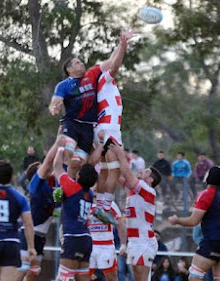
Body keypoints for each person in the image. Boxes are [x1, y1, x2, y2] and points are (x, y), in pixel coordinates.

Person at [49, 30, 133, 176]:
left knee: (77, 164)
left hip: (88, 128)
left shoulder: (92, 74)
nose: (81, 63)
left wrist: (122, 44)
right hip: (72, 124)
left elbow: (111, 61)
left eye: (81, 61)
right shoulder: (64, 85)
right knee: (67, 154)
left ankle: (69, 191)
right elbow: (56, 101)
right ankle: (58, 183)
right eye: (77, 62)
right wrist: (54, 107)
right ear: (69, 69)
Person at [92, 30, 134, 224]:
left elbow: (111, 59)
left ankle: (101, 206)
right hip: (109, 129)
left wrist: (121, 43)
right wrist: (124, 46)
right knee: (114, 169)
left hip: (106, 128)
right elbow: (115, 64)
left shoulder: (102, 83)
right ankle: (104, 208)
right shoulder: (104, 79)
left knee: (105, 170)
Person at [168, 166, 220, 281]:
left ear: (209, 177)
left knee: (194, 276)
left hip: (214, 239)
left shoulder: (205, 194)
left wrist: (177, 220)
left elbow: (193, 221)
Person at [108, 141, 162, 281]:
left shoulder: (147, 190)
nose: (141, 171)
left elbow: (126, 172)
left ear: (150, 180)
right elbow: (119, 175)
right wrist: (108, 154)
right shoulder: (134, 190)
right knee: (136, 278)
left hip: (144, 240)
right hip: (134, 240)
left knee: (141, 278)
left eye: (145, 172)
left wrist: (120, 152)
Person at [52, 140, 98, 281]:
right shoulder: (89, 194)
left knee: (64, 277)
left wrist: (60, 149)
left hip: (72, 237)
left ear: (79, 176)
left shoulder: (72, 187)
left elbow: (57, 167)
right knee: (83, 277)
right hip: (86, 239)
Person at [15, 138, 59, 281]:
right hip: (30, 234)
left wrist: (64, 149)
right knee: (23, 269)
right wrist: (58, 142)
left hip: (40, 237)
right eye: (41, 168)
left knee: (34, 272)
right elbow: (48, 162)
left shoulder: (50, 184)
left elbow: (58, 166)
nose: (46, 168)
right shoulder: (35, 185)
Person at [88, 195, 127, 281]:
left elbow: (120, 224)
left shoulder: (110, 205)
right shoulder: (85, 203)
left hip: (106, 246)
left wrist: (123, 244)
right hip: (88, 245)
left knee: (112, 277)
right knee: (82, 276)